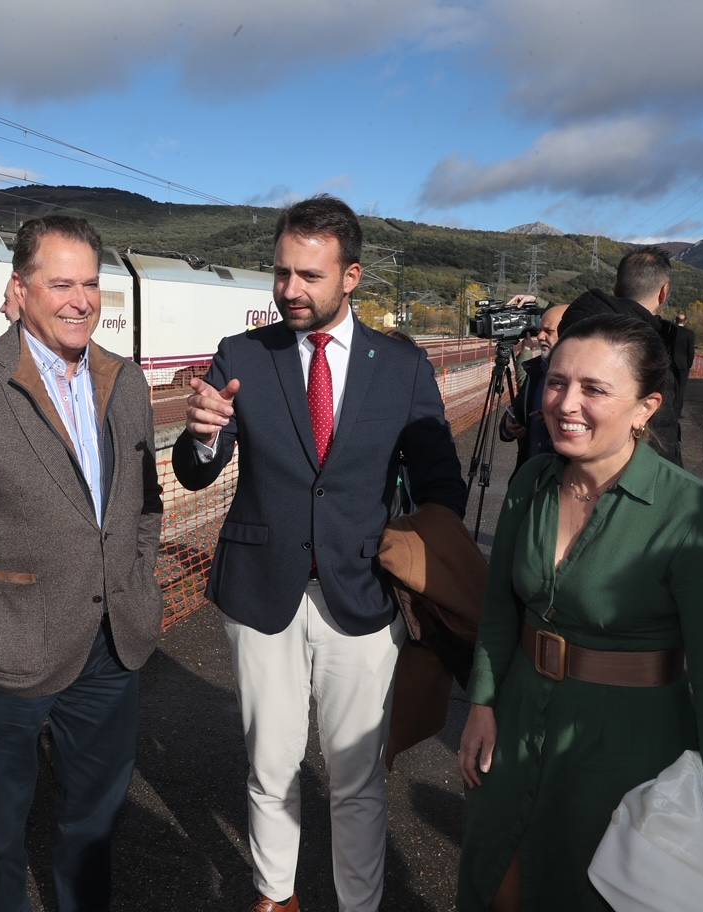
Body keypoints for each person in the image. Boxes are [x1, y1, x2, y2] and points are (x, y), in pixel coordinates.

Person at [173, 195, 467, 912]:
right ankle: (275, 896)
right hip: (261, 591)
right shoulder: (243, 355)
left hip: (363, 596)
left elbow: (440, 483)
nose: (289, 291)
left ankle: (357, 904)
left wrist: (422, 559)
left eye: (308, 276)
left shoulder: (401, 367)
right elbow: (194, 469)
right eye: (281, 274)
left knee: (357, 775)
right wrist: (204, 434)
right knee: (269, 767)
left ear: (352, 276)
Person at [458, 314, 703, 911]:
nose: (565, 403)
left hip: (630, 744)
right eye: (556, 382)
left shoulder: (693, 514)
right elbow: (499, 609)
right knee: (497, 881)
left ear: (646, 408)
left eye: (595, 389)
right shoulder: (533, 483)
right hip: (518, 719)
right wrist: (482, 704)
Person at [0, 215, 164, 912]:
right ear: (18, 291)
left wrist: (137, 581)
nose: (80, 299)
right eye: (61, 284)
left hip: (113, 645)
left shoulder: (128, 382)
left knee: (94, 822)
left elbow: (144, 504)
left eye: (91, 284)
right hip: (11, 646)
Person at [559, 247, 686, 465]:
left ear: (617, 287)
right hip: (641, 475)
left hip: (567, 468)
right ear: (664, 292)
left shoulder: (576, 328)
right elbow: (662, 431)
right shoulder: (652, 348)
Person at [499, 303, 566, 472]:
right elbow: (518, 411)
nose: (540, 336)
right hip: (527, 481)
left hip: (561, 482)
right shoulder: (535, 372)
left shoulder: (584, 380)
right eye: (540, 330)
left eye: (548, 331)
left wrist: (559, 420)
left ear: (568, 334)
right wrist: (508, 425)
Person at [672, 310, 697, 416]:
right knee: (680, 389)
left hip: (669, 364)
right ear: (685, 321)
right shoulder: (689, 334)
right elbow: (690, 351)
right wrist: (689, 364)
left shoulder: (670, 331)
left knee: (668, 387)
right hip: (683, 365)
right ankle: (677, 411)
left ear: (675, 320)